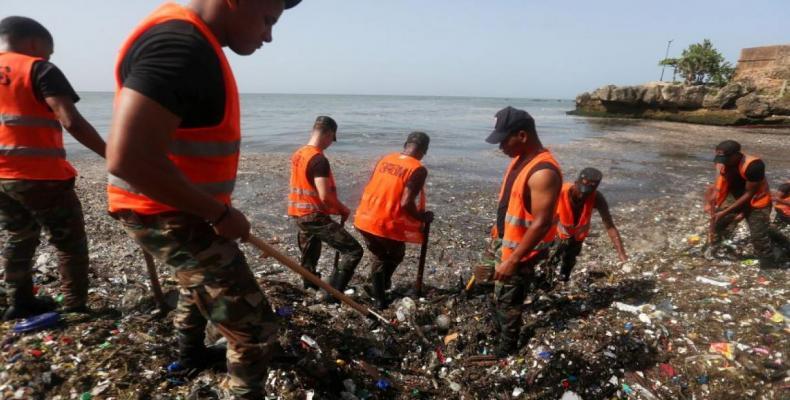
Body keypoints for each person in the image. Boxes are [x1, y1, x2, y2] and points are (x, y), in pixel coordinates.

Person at [105, 1, 300, 398]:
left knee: (195, 282)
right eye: (268, 19)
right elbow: (128, 157)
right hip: (168, 213)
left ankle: (190, 355)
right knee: (255, 330)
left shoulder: (193, 39)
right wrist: (219, 212)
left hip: (176, 208)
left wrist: (213, 210)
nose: (268, 35)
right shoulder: (181, 44)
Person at [0, 17, 106, 320]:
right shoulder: (38, 68)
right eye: (49, 51)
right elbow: (70, 120)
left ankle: (19, 302)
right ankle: (74, 307)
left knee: (18, 237)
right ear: (34, 43)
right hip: (40, 176)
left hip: (2, 176)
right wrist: (111, 155)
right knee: (69, 242)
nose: (48, 57)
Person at [485, 106, 562, 357]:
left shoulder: (544, 173)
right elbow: (511, 202)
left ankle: (506, 349)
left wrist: (514, 260)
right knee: (496, 291)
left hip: (519, 252)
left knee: (509, 302)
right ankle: (499, 331)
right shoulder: (520, 160)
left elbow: (541, 222)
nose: (500, 148)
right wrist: (497, 230)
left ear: (522, 135)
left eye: (504, 140)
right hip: (505, 241)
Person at [354, 132, 433, 309]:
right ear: (424, 150)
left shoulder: (385, 159)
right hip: (383, 222)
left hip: (364, 216)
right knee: (391, 256)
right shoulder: (417, 169)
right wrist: (421, 217)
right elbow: (406, 203)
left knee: (385, 255)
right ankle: (379, 298)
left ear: (405, 144)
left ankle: (378, 288)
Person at [287, 116, 363, 301]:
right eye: (332, 139)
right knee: (353, 251)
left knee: (309, 253)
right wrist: (342, 209)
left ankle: (310, 287)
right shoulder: (318, 160)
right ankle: (334, 293)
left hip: (298, 213)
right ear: (328, 134)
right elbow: (324, 195)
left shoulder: (299, 153)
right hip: (313, 215)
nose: (330, 143)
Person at [706, 140, 787, 268]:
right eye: (720, 158)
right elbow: (718, 179)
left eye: (726, 158)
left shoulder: (754, 166)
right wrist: (712, 196)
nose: (722, 161)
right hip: (734, 194)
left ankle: (769, 264)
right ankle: (716, 247)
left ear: (736, 155)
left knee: (758, 236)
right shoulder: (722, 160)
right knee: (720, 223)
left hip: (757, 199)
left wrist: (728, 212)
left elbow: (749, 194)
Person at [552, 168, 627, 282]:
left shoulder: (597, 198)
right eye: (580, 191)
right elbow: (540, 217)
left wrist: (622, 255)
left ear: (595, 189)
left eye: (587, 193)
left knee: (569, 263)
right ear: (576, 183)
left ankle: (563, 279)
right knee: (550, 262)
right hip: (556, 234)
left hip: (577, 238)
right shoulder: (558, 193)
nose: (582, 195)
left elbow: (610, 226)